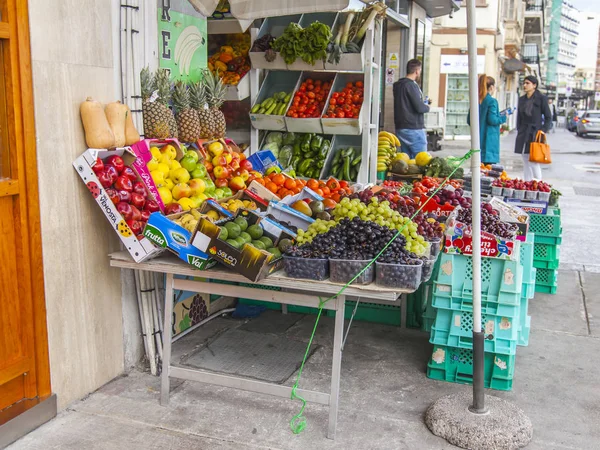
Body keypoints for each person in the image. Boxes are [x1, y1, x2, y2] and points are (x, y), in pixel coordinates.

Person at [514, 75, 552, 181]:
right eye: (524, 83)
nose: (525, 85)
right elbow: (519, 117)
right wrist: (519, 129)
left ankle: (538, 182)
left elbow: (549, 117)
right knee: (525, 158)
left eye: (527, 83)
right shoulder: (522, 99)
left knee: (533, 159)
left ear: (534, 85)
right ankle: (527, 182)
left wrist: (543, 130)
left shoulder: (541, 99)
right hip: (524, 131)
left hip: (535, 132)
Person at [467, 74, 508, 165]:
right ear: (492, 87)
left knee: (478, 168)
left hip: (477, 140)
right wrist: (503, 117)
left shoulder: (475, 100)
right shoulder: (492, 101)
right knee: (488, 171)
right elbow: (492, 120)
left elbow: (469, 120)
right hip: (489, 141)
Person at [393, 59, 430, 158]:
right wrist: (427, 107)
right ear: (417, 71)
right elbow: (419, 108)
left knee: (405, 161)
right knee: (421, 160)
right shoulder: (411, 85)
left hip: (400, 128)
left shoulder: (397, 85)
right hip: (414, 128)